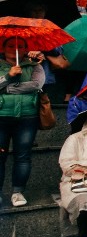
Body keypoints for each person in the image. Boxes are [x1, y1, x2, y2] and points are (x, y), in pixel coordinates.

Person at [0, 38, 45, 207]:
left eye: (20, 46)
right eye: (11, 46)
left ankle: (17, 192)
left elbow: (36, 85)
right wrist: (8, 76)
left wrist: (8, 88)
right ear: (3, 48)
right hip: (1, 116)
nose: (15, 49)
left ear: (26, 49)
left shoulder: (35, 66)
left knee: (23, 155)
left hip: (27, 117)